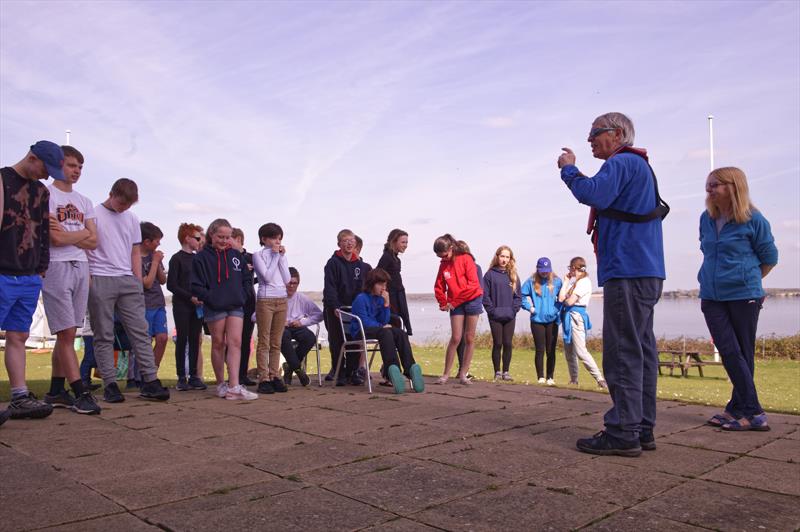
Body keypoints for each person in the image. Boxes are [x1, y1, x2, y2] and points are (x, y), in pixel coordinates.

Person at [558, 112, 667, 457]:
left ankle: (622, 431)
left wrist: (568, 168)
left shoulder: (620, 163)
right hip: (646, 271)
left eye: (594, 133)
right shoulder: (639, 167)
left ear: (618, 134)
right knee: (642, 350)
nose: (590, 139)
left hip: (628, 270)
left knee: (622, 352)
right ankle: (641, 426)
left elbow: (594, 194)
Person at [699, 167, 778, 431]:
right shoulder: (706, 218)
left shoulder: (754, 219)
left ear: (734, 186)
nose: (709, 190)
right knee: (731, 352)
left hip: (744, 296)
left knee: (741, 354)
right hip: (711, 296)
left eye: (715, 185)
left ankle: (745, 411)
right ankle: (747, 409)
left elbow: (769, 258)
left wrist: (748, 280)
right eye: (708, 185)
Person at [86, 178, 171, 403]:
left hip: (127, 279)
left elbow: (135, 251)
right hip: (101, 277)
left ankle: (150, 381)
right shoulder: (93, 214)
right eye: (121, 203)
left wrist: (135, 280)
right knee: (103, 333)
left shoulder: (132, 218)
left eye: (128, 205)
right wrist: (90, 280)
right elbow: (87, 249)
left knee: (140, 331)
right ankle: (110, 384)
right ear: (111, 193)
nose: (123, 208)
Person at [1, 140, 65, 420]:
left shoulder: (41, 191)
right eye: (45, 168)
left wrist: (42, 268)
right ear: (32, 157)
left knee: (19, 335)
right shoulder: (3, 180)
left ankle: (19, 396)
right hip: (3, 272)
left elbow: (42, 232)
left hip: (29, 276)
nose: (47, 176)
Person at [41, 145, 101, 415]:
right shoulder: (48, 194)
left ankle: (55, 391)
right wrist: (80, 236)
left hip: (81, 266)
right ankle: (80, 391)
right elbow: (55, 239)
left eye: (80, 167)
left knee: (69, 332)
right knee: (65, 332)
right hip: (56, 265)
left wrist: (70, 235)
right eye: (71, 165)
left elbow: (94, 240)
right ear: (58, 165)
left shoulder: (85, 201)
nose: (76, 171)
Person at [191, 218, 257, 400]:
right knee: (219, 343)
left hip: (236, 305)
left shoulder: (236, 256)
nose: (224, 240)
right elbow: (195, 285)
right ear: (211, 235)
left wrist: (243, 295)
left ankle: (234, 385)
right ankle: (221, 383)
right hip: (215, 306)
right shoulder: (201, 258)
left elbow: (246, 277)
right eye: (221, 236)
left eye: (228, 237)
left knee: (236, 342)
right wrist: (211, 297)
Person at [350, 268, 424, 394]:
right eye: (380, 284)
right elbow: (364, 321)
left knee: (400, 333)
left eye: (385, 285)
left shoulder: (380, 299)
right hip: (360, 331)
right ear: (372, 284)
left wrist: (386, 303)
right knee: (385, 332)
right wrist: (381, 326)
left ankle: (410, 368)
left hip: (378, 329)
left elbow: (384, 320)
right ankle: (392, 369)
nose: (383, 288)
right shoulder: (361, 299)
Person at [433, 234, 483, 385]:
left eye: (445, 255)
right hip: (456, 302)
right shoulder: (443, 263)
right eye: (440, 256)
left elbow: (473, 285)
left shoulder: (466, 259)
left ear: (451, 248)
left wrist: (454, 302)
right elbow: (439, 285)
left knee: (469, 338)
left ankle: (463, 374)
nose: (444, 258)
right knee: (456, 338)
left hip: (472, 299)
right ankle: (445, 374)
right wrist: (443, 302)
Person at [323, 229, 371, 386]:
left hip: (353, 309)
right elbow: (330, 288)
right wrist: (335, 306)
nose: (349, 243)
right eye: (345, 240)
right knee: (337, 341)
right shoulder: (333, 263)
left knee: (354, 339)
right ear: (339, 244)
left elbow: (363, 289)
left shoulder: (360, 265)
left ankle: (352, 371)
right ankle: (339, 372)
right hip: (335, 308)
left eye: (352, 240)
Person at [166, 222, 206, 391]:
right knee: (182, 339)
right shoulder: (177, 258)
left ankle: (195, 375)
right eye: (197, 238)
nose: (199, 241)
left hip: (197, 306)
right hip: (182, 305)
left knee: (195, 338)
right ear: (187, 238)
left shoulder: (199, 259)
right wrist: (190, 297)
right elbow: (171, 285)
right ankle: (182, 376)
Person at [252, 223, 291, 395]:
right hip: (265, 300)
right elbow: (266, 277)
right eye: (274, 238)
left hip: (281, 299)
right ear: (264, 239)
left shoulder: (280, 255)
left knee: (277, 341)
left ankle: (275, 375)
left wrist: (282, 258)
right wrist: (275, 256)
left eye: (279, 238)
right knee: (264, 341)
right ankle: (264, 377)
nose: (277, 241)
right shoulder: (258, 255)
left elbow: (287, 278)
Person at [558, 257, 606, 389]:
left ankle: (600, 379)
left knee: (581, 351)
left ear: (574, 268)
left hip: (576, 317)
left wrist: (566, 295)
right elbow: (562, 298)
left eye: (570, 268)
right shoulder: (575, 282)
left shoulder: (584, 282)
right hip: (569, 316)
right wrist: (566, 282)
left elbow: (568, 301)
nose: (569, 271)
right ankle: (574, 380)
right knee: (569, 351)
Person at [521, 257, 562, 385]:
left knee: (551, 350)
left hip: (552, 320)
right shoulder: (531, 282)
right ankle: (541, 377)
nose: (544, 272)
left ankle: (550, 377)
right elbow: (520, 296)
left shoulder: (557, 281)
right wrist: (530, 308)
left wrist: (557, 310)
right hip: (537, 321)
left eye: (547, 270)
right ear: (538, 269)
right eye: (542, 270)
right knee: (540, 350)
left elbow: (563, 297)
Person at [483, 245, 521, 381]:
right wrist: (492, 311)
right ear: (497, 256)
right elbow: (485, 296)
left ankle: (506, 372)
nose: (504, 259)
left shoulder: (514, 276)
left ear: (510, 259)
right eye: (502, 256)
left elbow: (518, 297)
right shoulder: (489, 275)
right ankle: (497, 372)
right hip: (495, 316)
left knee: (508, 343)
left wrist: (513, 311)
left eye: (507, 257)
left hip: (509, 315)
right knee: (498, 343)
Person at [281, 267, 321, 386]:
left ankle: (290, 366)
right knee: (283, 336)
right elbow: (255, 316)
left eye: (294, 283)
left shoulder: (302, 298)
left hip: (297, 326)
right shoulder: (276, 298)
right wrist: (277, 321)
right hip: (281, 328)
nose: (291, 286)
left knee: (310, 338)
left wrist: (303, 322)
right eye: (289, 283)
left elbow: (319, 315)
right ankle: (298, 370)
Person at [140, 222, 168, 368]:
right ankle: (141, 375)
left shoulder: (154, 256)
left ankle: (153, 371)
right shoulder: (136, 258)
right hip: (144, 305)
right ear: (147, 241)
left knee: (162, 338)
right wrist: (155, 262)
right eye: (157, 241)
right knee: (145, 341)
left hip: (159, 303)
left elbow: (163, 280)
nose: (159, 244)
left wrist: (157, 262)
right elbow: (147, 283)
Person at [230, 228, 257, 386]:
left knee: (246, 339)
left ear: (238, 239)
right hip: (233, 302)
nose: (227, 242)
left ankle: (243, 374)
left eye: (230, 239)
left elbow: (262, 276)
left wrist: (249, 278)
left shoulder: (251, 257)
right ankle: (233, 374)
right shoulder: (228, 257)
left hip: (249, 303)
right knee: (233, 340)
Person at [377, 229, 412, 336]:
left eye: (406, 242)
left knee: (401, 325)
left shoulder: (396, 258)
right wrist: (383, 293)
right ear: (394, 242)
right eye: (403, 242)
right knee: (394, 323)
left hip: (398, 294)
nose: (405, 245)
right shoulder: (387, 257)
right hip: (391, 296)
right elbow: (378, 275)